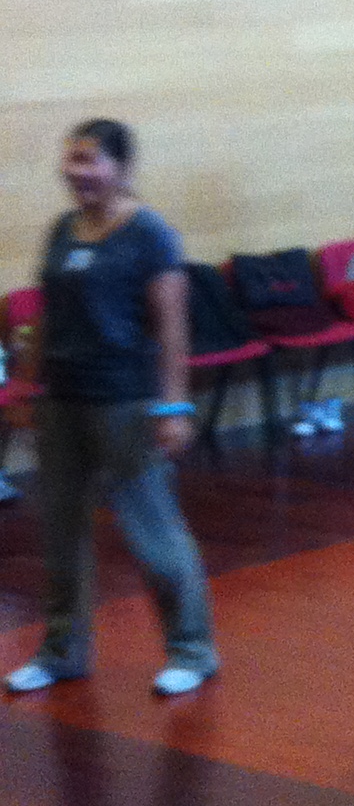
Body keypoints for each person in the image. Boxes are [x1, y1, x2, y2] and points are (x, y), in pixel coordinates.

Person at [6, 120, 220, 700]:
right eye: (70, 160)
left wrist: (173, 407)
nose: (74, 171)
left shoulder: (151, 235)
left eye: (88, 160)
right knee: (61, 533)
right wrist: (25, 386)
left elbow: (172, 328)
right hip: (62, 402)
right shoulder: (62, 229)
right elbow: (46, 314)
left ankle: (192, 651)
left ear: (121, 168)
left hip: (126, 403)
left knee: (153, 533)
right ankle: (62, 652)